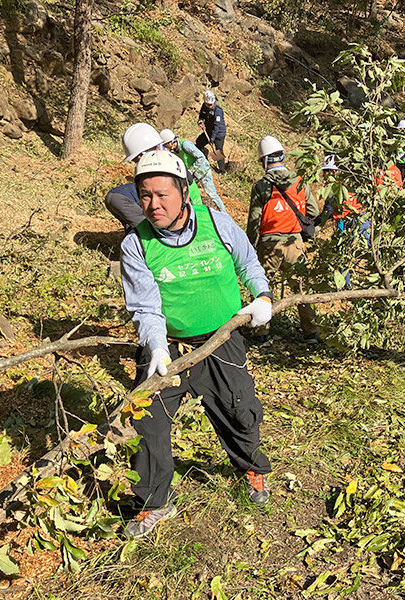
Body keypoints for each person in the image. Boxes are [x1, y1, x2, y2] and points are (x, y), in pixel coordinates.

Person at [119, 150, 274, 537]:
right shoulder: (136, 245)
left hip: (222, 340)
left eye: (162, 195)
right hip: (169, 346)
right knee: (148, 422)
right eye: (145, 196)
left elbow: (249, 263)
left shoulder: (217, 224)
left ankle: (252, 469)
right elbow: (146, 306)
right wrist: (155, 347)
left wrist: (263, 296)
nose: (153, 205)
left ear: (184, 192)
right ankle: (155, 503)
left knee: (239, 407)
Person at [246, 136, 320, 345]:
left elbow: (254, 219)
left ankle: (261, 334)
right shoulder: (300, 182)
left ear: (264, 161)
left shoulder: (261, 186)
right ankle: (311, 333)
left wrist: (249, 245)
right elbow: (313, 212)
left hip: (269, 244)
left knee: (262, 287)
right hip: (295, 244)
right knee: (302, 289)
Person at [105, 123, 202, 231]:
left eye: (137, 160)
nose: (137, 164)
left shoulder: (170, 168)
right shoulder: (165, 164)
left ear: (142, 155)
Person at [160, 129, 226, 213]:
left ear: (170, 142)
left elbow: (201, 157)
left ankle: (224, 213)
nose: (165, 147)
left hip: (203, 171)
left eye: (165, 145)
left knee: (212, 194)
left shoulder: (185, 145)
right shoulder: (174, 152)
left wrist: (191, 171)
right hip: (193, 174)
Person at [196, 91, 227, 174]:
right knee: (199, 142)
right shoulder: (204, 106)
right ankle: (203, 158)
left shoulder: (218, 111)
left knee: (217, 150)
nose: (209, 106)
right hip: (208, 131)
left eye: (211, 104)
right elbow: (202, 115)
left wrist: (213, 138)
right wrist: (200, 120)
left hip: (219, 133)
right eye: (207, 104)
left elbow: (217, 126)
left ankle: (222, 170)